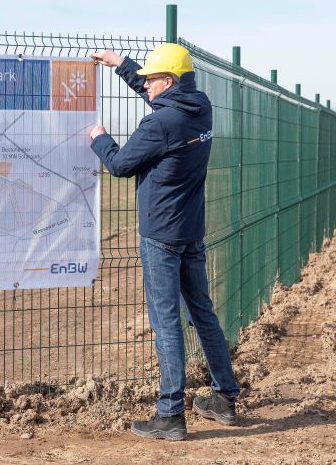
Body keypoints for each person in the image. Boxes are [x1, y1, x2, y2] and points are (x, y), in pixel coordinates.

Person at [89, 44, 241, 441]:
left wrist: (99, 137)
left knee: (166, 322)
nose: (146, 84)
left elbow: (120, 165)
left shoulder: (159, 125)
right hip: (191, 229)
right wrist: (121, 65)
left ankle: (171, 414)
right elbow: (161, 97)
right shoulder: (199, 107)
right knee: (202, 313)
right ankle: (225, 398)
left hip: (160, 235)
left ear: (169, 81)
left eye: (152, 78)